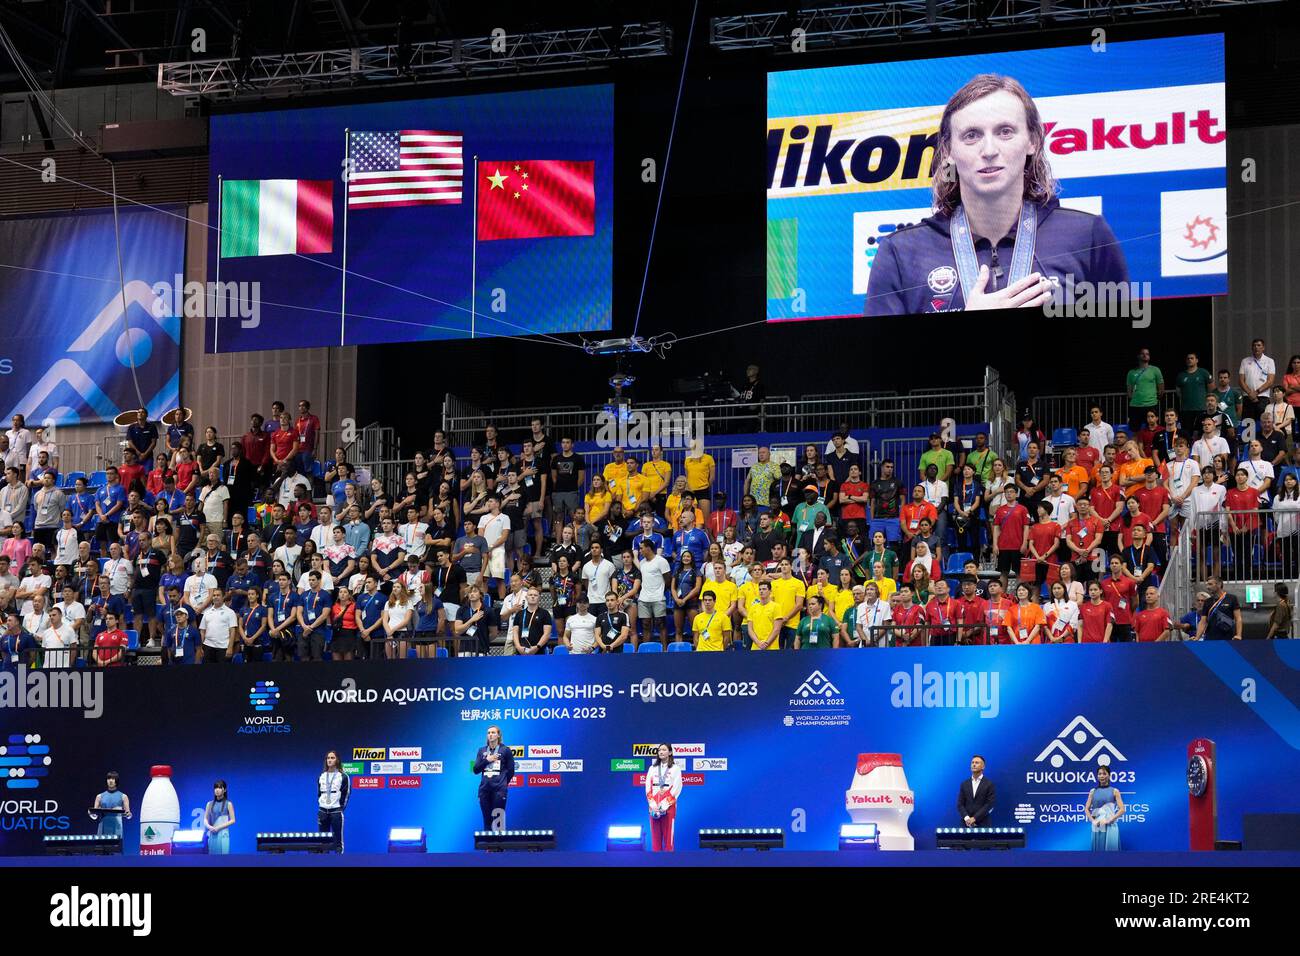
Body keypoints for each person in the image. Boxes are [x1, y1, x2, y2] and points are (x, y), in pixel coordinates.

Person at [473, 726, 515, 831]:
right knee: (487, 820)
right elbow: (475, 770)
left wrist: (503, 783)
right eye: (488, 733)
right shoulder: (481, 750)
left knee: (498, 820)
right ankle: (488, 847)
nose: (490, 735)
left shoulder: (505, 750)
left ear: (498, 735)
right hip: (484, 790)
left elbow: (511, 771)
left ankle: (499, 846)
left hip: (499, 790)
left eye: (493, 732)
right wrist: (487, 760)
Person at [645, 743, 683, 852]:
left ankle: (669, 862)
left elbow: (677, 788)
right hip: (654, 805)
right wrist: (652, 805)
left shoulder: (675, 768)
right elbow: (647, 787)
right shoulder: (652, 768)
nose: (661, 752)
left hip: (668, 805)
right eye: (659, 750)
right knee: (655, 838)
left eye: (664, 750)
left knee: (668, 838)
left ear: (670, 752)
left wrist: (664, 805)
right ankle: (655, 862)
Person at [1084, 764, 1125, 852]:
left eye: (1104, 773)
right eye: (1099, 774)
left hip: (1110, 826)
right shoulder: (1092, 792)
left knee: (1112, 855)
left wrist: (1110, 820)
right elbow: (1086, 809)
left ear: (1109, 775)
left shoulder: (1115, 791)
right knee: (1097, 856)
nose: (1101, 776)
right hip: (1098, 827)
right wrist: (1093, 821)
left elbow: (1122, 809)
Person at [1238, 338, 1277, 424]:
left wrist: (1256, 393)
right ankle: (1250, 438)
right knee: (1247, 424)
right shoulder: (1245, 361)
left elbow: (1270, 381)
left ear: (1263, 348)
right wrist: (1250, 393)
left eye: (1259, 345)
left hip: (1263, 397)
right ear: (1252, 348)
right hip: (1248, 397)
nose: (1256, 347)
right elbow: (1241, 381)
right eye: (1254, 345)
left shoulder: (1269, 361)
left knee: (1263, 423)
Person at [317, 751, 350, 853]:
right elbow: (319, 793)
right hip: (322, 811)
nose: (330, 760)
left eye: (332, 758)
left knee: (338, 842)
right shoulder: (322, 776)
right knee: (323, 841)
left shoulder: (343, 776)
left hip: (336, 811)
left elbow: (346, 794)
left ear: (337, 760)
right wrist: (321, 805)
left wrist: (340, 808)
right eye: (328, 758)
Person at [1195, 576, 1242, 641]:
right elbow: (1203, 621)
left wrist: (1238, 635)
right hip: (1210, 638)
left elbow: (1238, 618)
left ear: (1219, 584)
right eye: (1207, 585)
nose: (1207, 587)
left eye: (1210, 584)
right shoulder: (1207, 601)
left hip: (1228, 637)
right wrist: (1197, 638)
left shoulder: (1232, 598)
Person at [957, 754, 995, 828]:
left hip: (983, 824)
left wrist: (974, 818)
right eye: (972, 762)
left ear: (983, 767)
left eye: (977, 763)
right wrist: (967, 819)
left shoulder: (989, 784)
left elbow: (989, 804)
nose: (974, 764)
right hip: (965, 824)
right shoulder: (964, 784)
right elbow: (960, 804)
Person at [91, 770, 131, 839]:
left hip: (117, 828)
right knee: (101, 848)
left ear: (116, 781)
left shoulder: (123, 796)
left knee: (116, 848)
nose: (110, 781)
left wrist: (128, 814)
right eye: (109, 778)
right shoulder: (99, 796)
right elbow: (95, 816)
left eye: (113, 779)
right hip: (103, 828)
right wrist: (91, 813)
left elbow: (128, 815)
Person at [203, 780, 236, 855]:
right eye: (215, 788)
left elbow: (233, 820)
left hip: (223, 834)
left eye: (219, 788)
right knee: (212, 857)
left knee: (223, 857)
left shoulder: (229, 804)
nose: (217, 790)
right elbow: (205, 819)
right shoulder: (209, 804)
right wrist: (209, 827)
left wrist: (219, 828)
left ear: (224, 790)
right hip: (212, 833)